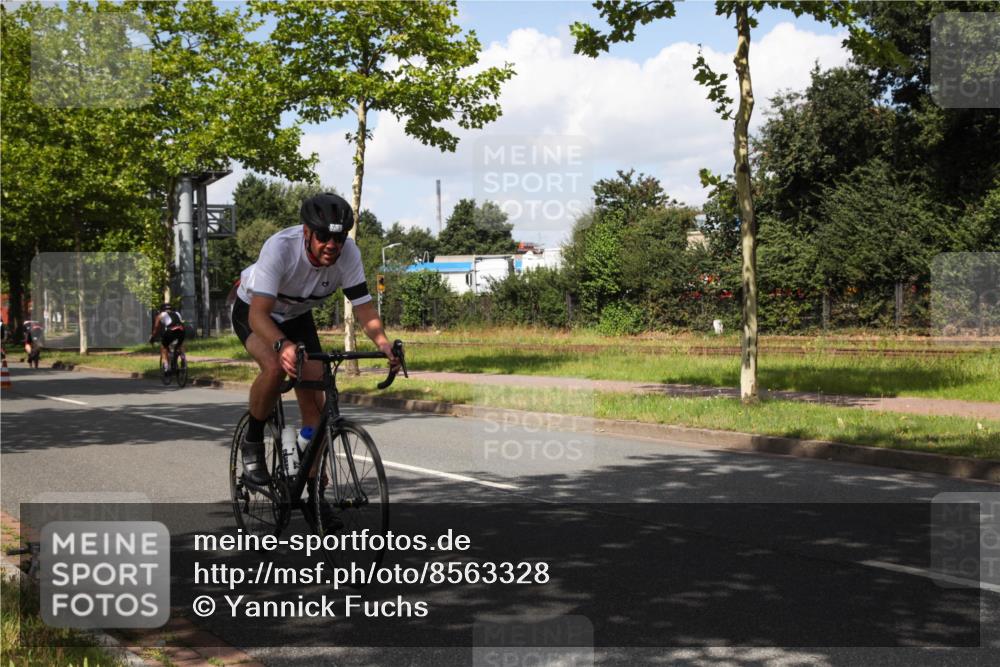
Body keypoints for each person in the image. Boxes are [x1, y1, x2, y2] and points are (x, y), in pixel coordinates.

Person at [231, 192, 399, 505]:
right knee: (275, 367)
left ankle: (314, 497)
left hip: (296, 316)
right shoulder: (280, 248)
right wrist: (282, 345)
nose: (332, 245)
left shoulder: (348, 254)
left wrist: (384, 344)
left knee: (317, 410)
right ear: (307, 232)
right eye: (323, 237)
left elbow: (363, 308)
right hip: (255, 311)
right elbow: (257, 316)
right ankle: (252, 441)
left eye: (339, 238)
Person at [150, 303, 186, 373]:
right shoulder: (177, 313)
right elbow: (181, 322)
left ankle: (166, 366)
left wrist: (153, 337)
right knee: (180, 344)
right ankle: (183, 358)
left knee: (164, 346)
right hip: (181, 330)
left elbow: (156, 328)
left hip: (171, 331)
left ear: (161, 309)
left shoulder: (160, 315)